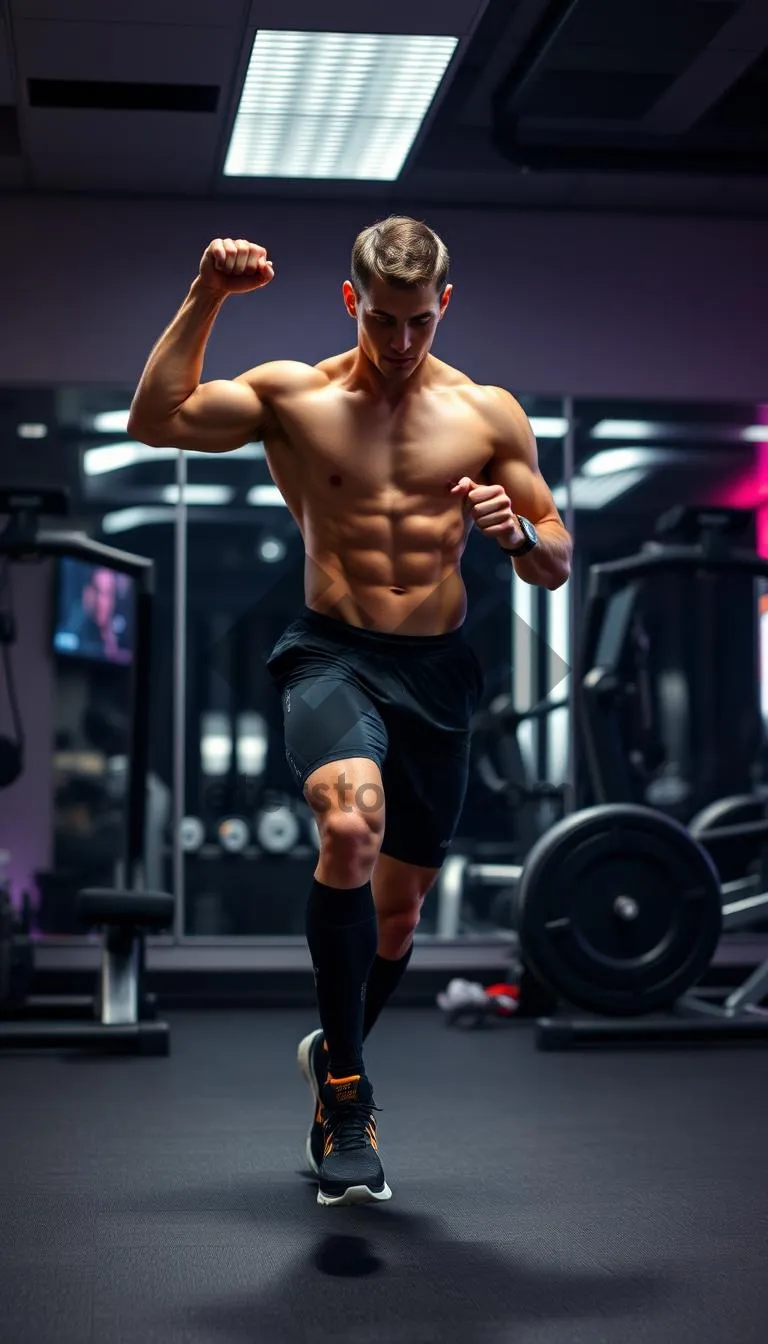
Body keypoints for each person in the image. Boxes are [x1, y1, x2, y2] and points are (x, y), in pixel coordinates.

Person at [128, 216, 572, 1208]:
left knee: (400, 909)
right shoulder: (297, 394)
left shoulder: (489, 414)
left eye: (419, 320)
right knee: (348, 824)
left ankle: (336, 1042)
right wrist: (207, 294)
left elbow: (554, 562)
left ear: (444, 305)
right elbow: (153, 421)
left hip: (440, 671)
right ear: (349, 301)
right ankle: (345, 1095)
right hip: (332, 652)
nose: (402, 341)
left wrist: (514, 538)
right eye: (382, 319)